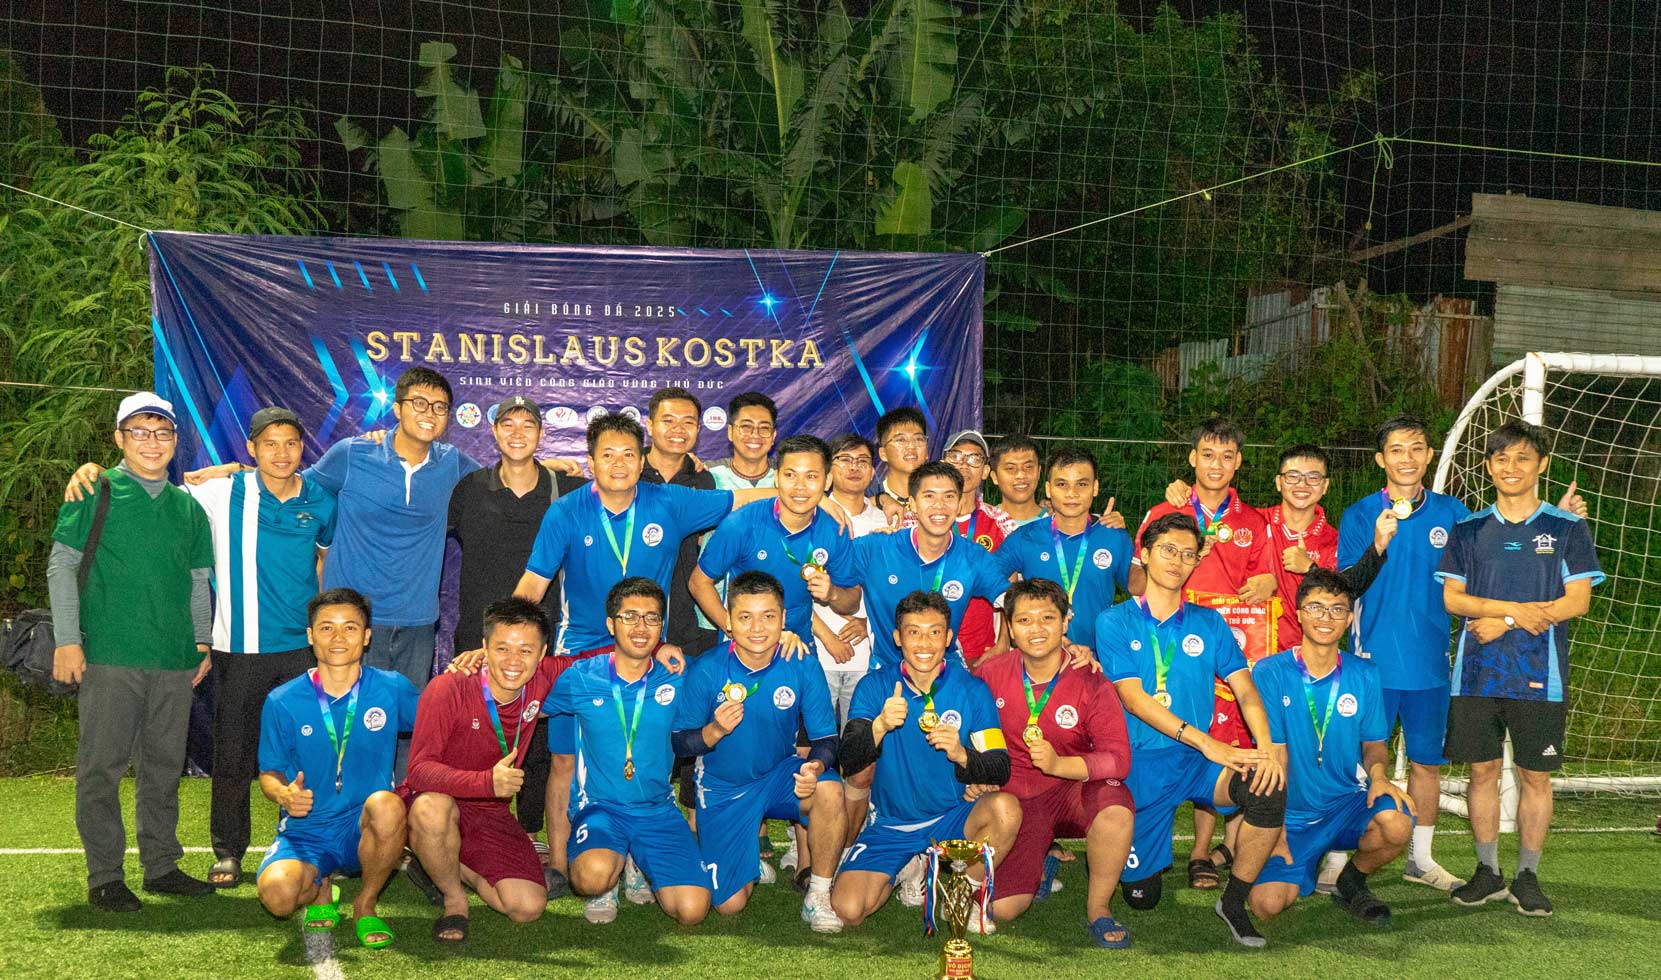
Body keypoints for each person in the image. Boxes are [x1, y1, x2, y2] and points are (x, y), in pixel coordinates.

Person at [63, 405, 340, 888]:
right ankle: (228, 852)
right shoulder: (218, 491)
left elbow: (322, 561)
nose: (281, 453)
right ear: (251, 448)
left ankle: (304, 847)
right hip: (237, 648)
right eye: (269, 444)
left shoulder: (320, 500)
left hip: (300, 649)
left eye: (291, 443)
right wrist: (88, 470)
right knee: (232, 757)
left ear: (303, 448)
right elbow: (153, 478)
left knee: (305, 754)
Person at [49, 392, 216, 911]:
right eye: (139, 432)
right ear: (119, 438)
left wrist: (202, 641)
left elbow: (197, 581)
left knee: (163, 768)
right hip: (109, 656)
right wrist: (68, 640)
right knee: (101, 769)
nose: (152, 442)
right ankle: (104, 875)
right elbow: (62, 566)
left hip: (174, 659)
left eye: (162, 432)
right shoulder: (94, 489)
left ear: (175, 441)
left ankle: (161, 865)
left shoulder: (188, 508)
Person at [1099, 512, 1286, 948]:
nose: (1177, 561)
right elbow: (1133, 698)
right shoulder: (1114, 620)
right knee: (1142, 899)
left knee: (1267, 787)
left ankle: (1233, 902)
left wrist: (1266, 749)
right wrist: (1209, 742)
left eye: (1188, 554)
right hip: (1141, 764)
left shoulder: (1209, 622)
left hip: (1197, 762)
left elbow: (1246, 689)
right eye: (1168, 550)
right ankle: (1130, 849)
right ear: (1145, 554)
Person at [1438, 421, 1602, 916]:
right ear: (1489, 467)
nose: (1511, 468)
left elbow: (1577, 601)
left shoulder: (1567, 527)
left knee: (1535, 776)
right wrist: (1509, 611)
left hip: (1539, 675)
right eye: (1501, 458)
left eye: (1523, 458)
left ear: (1542, 465)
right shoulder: (1469, 529)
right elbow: (1453, 598)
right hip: (1475, 674)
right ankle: (1487, 871)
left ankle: (1527, 875)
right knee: (1482, 771)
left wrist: (1506, 619)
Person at [401, 597, 610, 943]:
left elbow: (594, 657)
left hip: (489, 811)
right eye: (502, 649)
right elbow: (419, 771)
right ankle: (454, 899)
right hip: (439, 799)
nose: (513, 661)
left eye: (526, 651)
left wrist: (658, 647)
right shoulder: (449, 687)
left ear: (542, 654)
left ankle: (435, 859)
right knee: (431, 808)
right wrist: (486, 781)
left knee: (527, 907)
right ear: (483, 647)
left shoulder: (542, 677)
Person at [513, 412, 787, 657]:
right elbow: (534, 584)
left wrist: (801, 496)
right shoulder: (565, 512)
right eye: (608, 455)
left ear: (641, 462)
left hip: (648, 649)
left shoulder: (669, 502)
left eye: (628, 455)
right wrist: (508, 637)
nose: (619, 464)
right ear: (591, 463)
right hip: (579, 650)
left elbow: (740, 499)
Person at [831, 591, 1022, 932]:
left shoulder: (972, 690)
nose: (924, 643)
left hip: (953, 818)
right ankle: (909, 866)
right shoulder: (875, 686)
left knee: (1006, 809)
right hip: (892, 825)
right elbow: (849, 758)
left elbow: (1000, 766)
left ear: (948, 638)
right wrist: (880, 726)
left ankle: (962, 894)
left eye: (934, 632)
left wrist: (961, 754)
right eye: (913, 632)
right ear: (897, 637)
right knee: (849, 909)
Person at [446, 395, 584, 867]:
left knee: (537, 736)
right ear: (494, 432)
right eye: (509, 423)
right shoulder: (469, 488)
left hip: (541, 638)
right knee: (475, 734)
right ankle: (471, 828)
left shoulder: (565, 489)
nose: (518, 432)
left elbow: (624, 483)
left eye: (528, 424)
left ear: (541, 434)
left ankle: (528, 831)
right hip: (478, 634)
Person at [1138, 418, 1276, 886]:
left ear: (1239, 463)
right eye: (1208, 454)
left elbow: (1266, 581)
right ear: (1192, 458)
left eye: (1227, 456)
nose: (1217, 464)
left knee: (1230, 743)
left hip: (1229, 650)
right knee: (1177, 740)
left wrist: (1268, 583)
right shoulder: (1165, 510)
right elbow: (1137, 579)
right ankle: (1162, 844)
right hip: (1169, 653)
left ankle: (1211, 852)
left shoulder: (1254, 522)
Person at [1336, 414, 1471, 891]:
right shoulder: (1358, 515)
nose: (1407, 458)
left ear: (1430, 455)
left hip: (1430, 664)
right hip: (1371, 664)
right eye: (1396, 450)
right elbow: (1345, 586)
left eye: (1416, 448)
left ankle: (1421, 859)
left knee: (1426, 763)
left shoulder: (1453, 513)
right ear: (1380, 459)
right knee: (1357, 763)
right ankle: (1339, 855)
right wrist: (1378, 543)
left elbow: (1484, 570)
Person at [672, 572, 846, 930]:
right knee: (729, 905)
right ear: (729, 620)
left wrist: (815, 766)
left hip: (779, 776)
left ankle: (818, 894)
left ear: (783, 619)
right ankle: (742, 852)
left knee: (829, 788)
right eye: (745, 617)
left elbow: (827, 739)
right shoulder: (707, 669)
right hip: (723, 789)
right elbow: (679, 741)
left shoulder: (802, 663)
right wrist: (714, 731)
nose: (757, 628)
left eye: (768, 616)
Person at [1247, 569, 1415, 927]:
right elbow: (1275, 756)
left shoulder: (1365, 673)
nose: (1326, 617)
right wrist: (1275, 830)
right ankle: (1296, 859)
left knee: (1398, 824)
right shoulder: (1270, 672)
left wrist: (1380, 778)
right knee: (1266, 905)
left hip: (1345, 803)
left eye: (1337, 609)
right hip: (1291, 816)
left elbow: (1374, 744)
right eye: (1316, 607)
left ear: (1349, 618)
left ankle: (1350, 881)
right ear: (1299, 613)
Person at [255, 588, 417, 949]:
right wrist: (283, 794)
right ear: (311, 636)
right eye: (327, 628)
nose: (338, 637)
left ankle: (365, 904)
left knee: (389, 805)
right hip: (307, 830)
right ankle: (320, 888)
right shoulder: (283, 701)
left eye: (350, 628)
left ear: (367, 636)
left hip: (365, 826)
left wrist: (470, 675)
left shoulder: (391, 688)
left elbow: (441, 721)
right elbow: (269, 772)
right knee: (278, 896)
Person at [978, 579, 1136, 948]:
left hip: (1070, 791)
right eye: (1024, 620)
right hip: (1016, 801)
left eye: (1048, 618)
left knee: (1115, 805)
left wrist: (1059, 765)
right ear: (1010, 628)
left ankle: (1099, 908)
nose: (1036, 629)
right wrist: (976, 774)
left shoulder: (1091, 679)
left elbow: (1119, 760)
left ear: (1066, 622)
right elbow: (969, 732)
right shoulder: (989, 674)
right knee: (1002, 909)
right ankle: (1041, 857)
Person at [550, 578, 713, 926]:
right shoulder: (581, 677)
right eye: (630, 617)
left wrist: (782, 640)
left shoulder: (678, 674)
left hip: (657, 809)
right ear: (611, 624)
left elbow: (729, 665)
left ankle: (639, 861)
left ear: (662, 627)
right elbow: (523, 692)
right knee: (591, 876)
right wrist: (478, 665)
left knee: (692, 910)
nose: (641, 627)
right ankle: (612, 868)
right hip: (600, 809)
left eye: (652, 618)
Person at [691, 435, 862, 653]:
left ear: (827, 481)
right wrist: (734, 630)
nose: (800, 487)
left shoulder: (834, 530)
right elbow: (698, 583)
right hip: (746, 645)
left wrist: (832, 594)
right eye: (790, 475)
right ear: (777, 478)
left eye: (811, 476)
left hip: (799, 645)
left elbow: (852, 601)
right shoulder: (741, 524)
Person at [997, 448, 1134, 655]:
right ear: (1048, 489)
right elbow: (987, 579)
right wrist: (1005, 636)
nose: (1072, 493)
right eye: (1062, 484)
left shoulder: (1114, 537)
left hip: (1100, 656)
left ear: (1095, 487)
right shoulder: (1025, 538)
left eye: (1082, 484)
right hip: (1042, 654)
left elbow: (1141, 590)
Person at [638, 386, 720, 658]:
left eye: (688, 422)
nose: (678, 430)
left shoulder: (703, 480)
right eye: (668, 420)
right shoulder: (629, 471)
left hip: (684, 619)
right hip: (632, 613)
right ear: (650, 425)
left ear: (698, 430)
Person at [816, 434, 890, 725]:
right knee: (813, 740)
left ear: (872, 471)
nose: (854, 467)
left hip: (866, 655)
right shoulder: (812, 515)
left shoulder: (886, 522)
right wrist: (827, 637)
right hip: (816, 650)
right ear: (829, 470)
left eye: (862, 461)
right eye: (845, 459)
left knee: (858, 738)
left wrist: (868, 621)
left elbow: (891, 587)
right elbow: (793, 589)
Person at [942, 430, 1017, 664]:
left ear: (985, 471)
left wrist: (1003, 642)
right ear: (943, 463)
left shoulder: (1002, 523)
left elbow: (1011, 585)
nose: (963, 464)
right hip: (931, 647)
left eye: (974, 458)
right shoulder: (922, 518)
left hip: (983, 650)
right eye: (955, 456)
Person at [706, 391, 779, 490]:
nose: (755, 434)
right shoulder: (708, 473)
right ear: (730, 432)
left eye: (764, 428)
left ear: (773, 436)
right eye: (746, 426)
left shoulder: (787, 475)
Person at [871, 406, 928, 519]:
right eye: (901, 440)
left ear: (927, 451)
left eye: (918, 439)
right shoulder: (867, 498)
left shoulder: (942, 497)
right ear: (883, 454)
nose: (911, 446)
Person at [989, 435, 1046, 527]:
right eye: (1010, 468)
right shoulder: (983, 525)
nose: (1021, 475)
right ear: (994, 477)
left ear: (1039, 472)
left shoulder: (1056, 523)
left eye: (1028, 467)